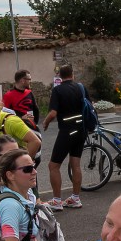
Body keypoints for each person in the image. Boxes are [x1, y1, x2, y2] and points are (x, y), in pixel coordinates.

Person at [41, 64, 86, 211]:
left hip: (67, 131)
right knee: (76, 165)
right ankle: (75, 198)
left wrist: (45, 122)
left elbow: (53, 113)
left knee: (53, 166)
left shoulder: (58, 90)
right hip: (81, 130)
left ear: (59, 76)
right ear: (72, 74)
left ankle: (57, 201)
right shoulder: (80, 88)